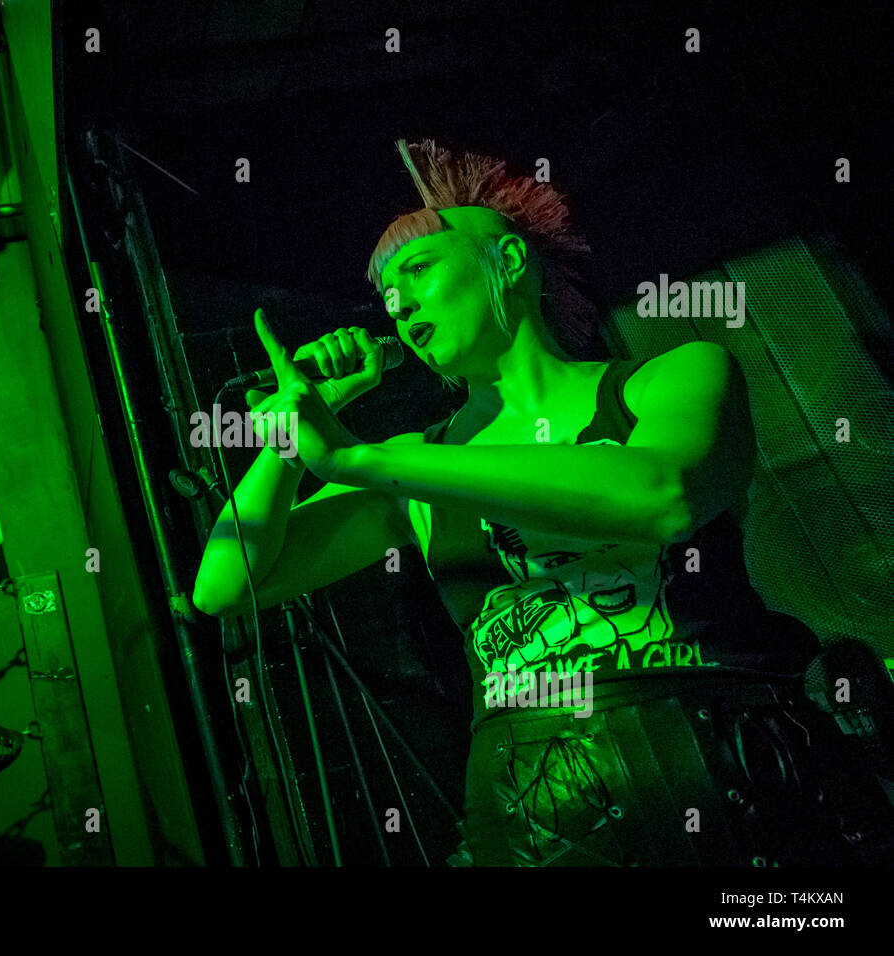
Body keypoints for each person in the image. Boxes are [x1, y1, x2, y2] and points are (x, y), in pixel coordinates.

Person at [191, 139, 894, 866]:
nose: (397, 305)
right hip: (531, 801)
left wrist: (360, 456)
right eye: (386, 299)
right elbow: (224, 585)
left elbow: (666, 494)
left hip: (730, 757)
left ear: (509, 262)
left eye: (418, 270)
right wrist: (286, 438)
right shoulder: (418, 466)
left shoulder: (668, 379)